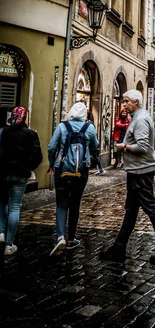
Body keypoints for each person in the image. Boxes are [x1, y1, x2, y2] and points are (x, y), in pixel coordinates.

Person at [100, 90, 155, 264]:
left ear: (136, 102)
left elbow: (143, 147)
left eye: (126, 101)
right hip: (137, 171)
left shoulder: (140, 119)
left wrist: (124, 147)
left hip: (141, 172)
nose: (124, 104)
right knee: (131, 211)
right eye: (123, 101)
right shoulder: (139, 116)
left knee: (150, 208)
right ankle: (119, 247)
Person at [48, 101, 99, 255]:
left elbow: (51, 147)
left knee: (61, 203)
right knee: (75, 203)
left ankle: (61, 237)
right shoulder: (89, 127)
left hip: (61, 169)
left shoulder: (62, 126)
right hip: (81, 171)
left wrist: (52, 164)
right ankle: (71, 239)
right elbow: (95, 145)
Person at [0, 107, 43, 256]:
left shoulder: (4, 132)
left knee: (3, 202)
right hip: (20, 174)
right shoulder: (31, 134)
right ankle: (9, 244)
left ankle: (0, 232)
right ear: (24, 118)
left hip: (4, 172)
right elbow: (38, 156)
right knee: (15, 207)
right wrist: (28, 168)